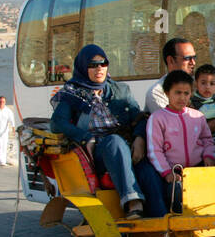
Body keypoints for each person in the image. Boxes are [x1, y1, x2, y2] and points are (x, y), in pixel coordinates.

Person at [49, 44, 163, 219]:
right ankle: (132, 202)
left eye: (103, 63)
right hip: (99, 148)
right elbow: (57, 123)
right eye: (93, 65)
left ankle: (160, 222)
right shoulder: (71, 94)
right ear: (82, 67)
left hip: (127, 143)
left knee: (147, 169)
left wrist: (139, 138)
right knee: (114, 142)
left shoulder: (119, 90)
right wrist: (86, 138)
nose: (99, 69)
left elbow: (139, 117)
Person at [148, 70, 215, 213]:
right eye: (177, 93)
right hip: (174, 175)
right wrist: (167, 172)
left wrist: (208, 155)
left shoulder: (198, 116)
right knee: (180, 201)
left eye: (186, 93)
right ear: (167, 92)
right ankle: (182, 232)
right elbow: (155, 150)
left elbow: (207, 140)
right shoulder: (158, 118)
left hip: (198, 170)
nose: (182, 97)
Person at [145, 37, 197, 112]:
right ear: (171, 60)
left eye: (194, 57)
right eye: (187, 58)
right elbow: (171, 121)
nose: (193, 62)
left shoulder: (200, 84)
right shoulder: (157, 92)